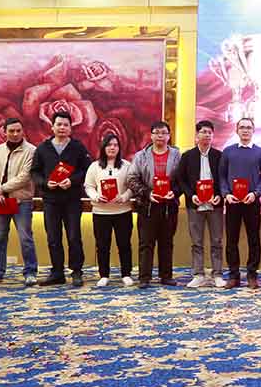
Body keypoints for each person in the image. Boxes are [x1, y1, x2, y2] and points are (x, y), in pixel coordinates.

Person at [30, 111, 92, 287]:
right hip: (50, 200)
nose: (62, 127)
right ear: (52, 127)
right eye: (59, 124)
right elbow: (34, 172)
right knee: (53, 237)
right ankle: (57, 272)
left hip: (72, 200)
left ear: (71, 128)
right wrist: (45, 183)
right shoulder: (43, 148)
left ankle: (76, 271)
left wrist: (72, 181)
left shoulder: (78, 147)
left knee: (74, 236)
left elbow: (87, 170)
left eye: (66, 125)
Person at [0, 117, 38, 287]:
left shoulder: (31, 151)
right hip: (1, 202)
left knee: (26, 238)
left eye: (18, 130)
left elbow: (24, 177)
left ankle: (30, 273)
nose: (15, 134)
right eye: (11, 131)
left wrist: (1, 190)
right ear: (4, 132)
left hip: (21, 201)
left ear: (23, 131)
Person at [127, 120, 181, 288]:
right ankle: (144, 277)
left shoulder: (177, 155)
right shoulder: (141, 156)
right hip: (147, 205)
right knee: (146, 243)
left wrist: (175, 192)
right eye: (156, 133)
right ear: (151, 136)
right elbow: (131, 179)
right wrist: (148, 193)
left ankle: (166, 276)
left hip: (169, 205)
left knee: (167, 242)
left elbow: (182, 179)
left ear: (169, 136)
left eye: (164, 133)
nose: (160, 136)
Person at [219, 117, 261, 289]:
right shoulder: (228, 151)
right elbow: (222, 176)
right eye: (242, 127)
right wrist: (226, 194)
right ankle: (233, 275)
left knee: (253, 239)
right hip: (232, 202)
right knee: (231, 240)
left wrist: (256, 193)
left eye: (248, 127)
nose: (245, 130)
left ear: (253, 130)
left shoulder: (260, 152)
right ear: (237, 130)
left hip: (251, 202)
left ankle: (252, 274)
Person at [176, 120, 224, 288]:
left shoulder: (219, 156)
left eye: (210, 132)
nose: (207, 135)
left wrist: (220, 196)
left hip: (215, 205)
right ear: (197, 135)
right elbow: (181, 179)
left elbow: (224, 179)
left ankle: (217, 274)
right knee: (197, 242)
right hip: (195, 205)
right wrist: (191, 196)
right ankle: (198, 274)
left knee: (217, 241)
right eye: (203, 132)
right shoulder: (188, 156)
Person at [84, 133, 135, 287]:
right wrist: (96, 196)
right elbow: (89, 186)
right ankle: (104, 275)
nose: (112, 148)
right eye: (109, 145)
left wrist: (124, 197)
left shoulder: (126, 165)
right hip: (101, 212)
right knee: (102, 246)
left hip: (122, 211)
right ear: (103, 147)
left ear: (119, 148)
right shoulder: (95, 166)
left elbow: (132, 186)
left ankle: (126, 274)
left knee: (124, 244)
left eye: (115, 145)